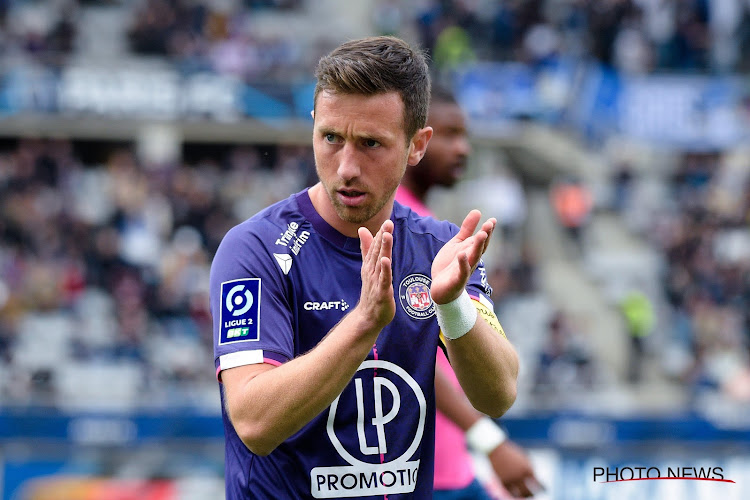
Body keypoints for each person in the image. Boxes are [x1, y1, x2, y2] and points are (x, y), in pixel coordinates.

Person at [209, 36, 520, 499]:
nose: (347, 167)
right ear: (313, 125)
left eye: (371, 143)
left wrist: (453, 307)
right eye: (331, 138)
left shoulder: (438, 248)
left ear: (417, 146)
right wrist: (363, 325)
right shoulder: (255, 249)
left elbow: (499, 395)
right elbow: (254, 421)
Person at [396, 87, 541, 499]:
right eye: (449, 134)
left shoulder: (429, 226)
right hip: (421, 473)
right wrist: (489, 440)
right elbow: (410, 353)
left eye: (465, 135)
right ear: (415, 142)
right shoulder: (397, 230)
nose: (463, 148)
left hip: (448, 465)